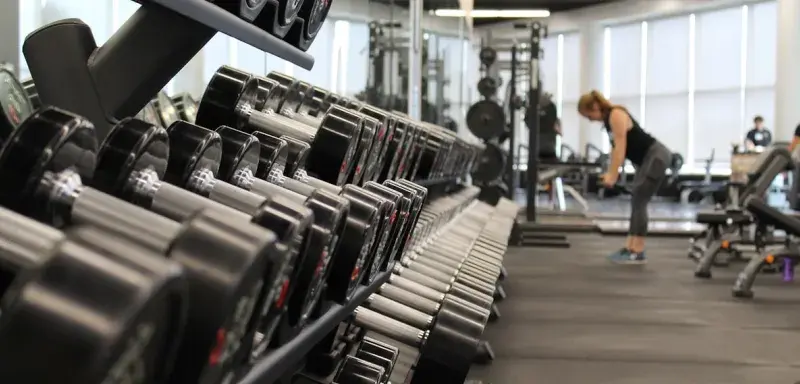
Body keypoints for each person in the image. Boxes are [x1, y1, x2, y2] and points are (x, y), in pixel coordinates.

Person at [577, 90, 672, 264]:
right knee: (636, 199)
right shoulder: (608, 121)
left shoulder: (616, 114)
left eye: (589, 115)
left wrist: (613, 175)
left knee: (639, 199)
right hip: (647, 159)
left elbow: (621, 148)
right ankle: (630, 247)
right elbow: (616, 150)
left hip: (656, 156)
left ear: (595, 107)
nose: (590, 120)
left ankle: (637, 250)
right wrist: (611, 172)